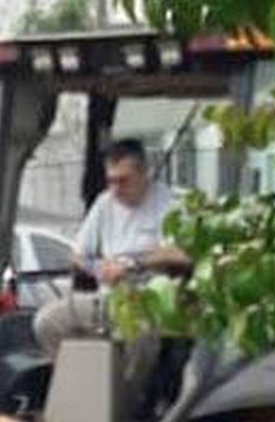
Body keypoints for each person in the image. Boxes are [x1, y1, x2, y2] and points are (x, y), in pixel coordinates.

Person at [33, 136, 188, 360]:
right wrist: (97, 268)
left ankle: (129, 393)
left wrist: (131, 265)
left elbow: (179, 252)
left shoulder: (169, 203)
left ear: (144, 173)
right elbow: (77, 255)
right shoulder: (105, 204)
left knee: (139, 333)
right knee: (47, 322)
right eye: (111, 181)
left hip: (150, 300)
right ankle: (78, 387)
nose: (116, 189)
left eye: (123, 180)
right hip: (108, 299)